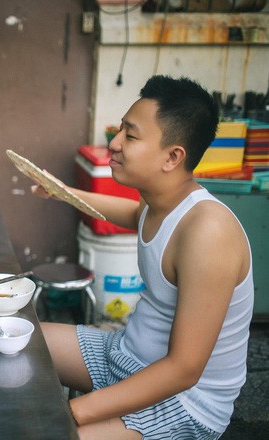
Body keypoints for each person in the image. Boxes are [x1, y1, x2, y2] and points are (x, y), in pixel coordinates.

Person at [32, 76, 253, 439]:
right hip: (127, 355)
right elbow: (134, 216)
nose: (114, 143)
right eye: (120, 130)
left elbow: (184, 370)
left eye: (130, 136)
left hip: (184, 402)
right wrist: (64, 192)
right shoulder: (159, 201)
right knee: (9, 338)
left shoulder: (208, 232)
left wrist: (73, 412)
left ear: (172, 157)